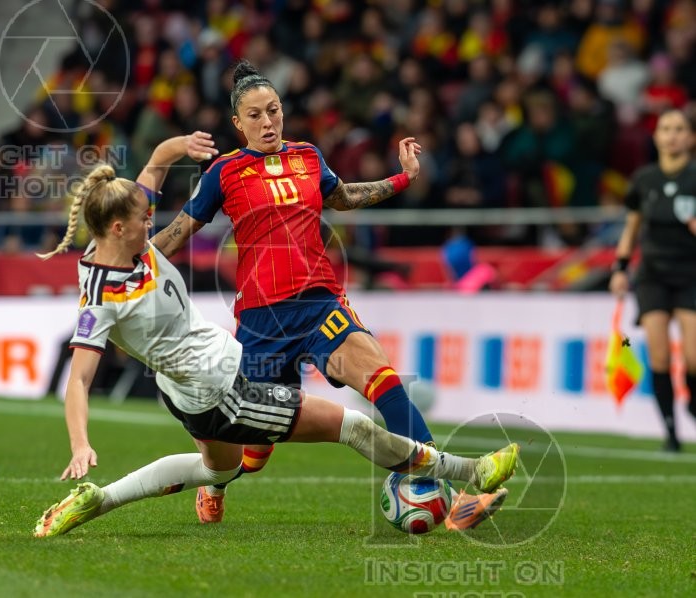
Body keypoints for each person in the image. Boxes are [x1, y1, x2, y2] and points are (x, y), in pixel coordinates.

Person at [32, 145, 519, 538]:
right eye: (144, 220)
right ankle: (469, 472)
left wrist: (176, 147)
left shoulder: (111, 244)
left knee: (218, 471)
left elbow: (153, 170)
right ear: (119, 228)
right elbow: (78, 379)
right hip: (222, 391)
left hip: (193, 387)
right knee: (349, 425)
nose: (153, 224)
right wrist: (80, 445)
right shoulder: (100, 299)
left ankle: (101, 499)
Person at [150, 60, 506, 530]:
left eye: (273, 111)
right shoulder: (224, 173)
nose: (267, 122)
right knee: (253, 453)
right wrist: (122, 264)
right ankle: (215, 484)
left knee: (385, 382)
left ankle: (450, 497)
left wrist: (403, 178)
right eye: (254, 115)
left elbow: (344, 197)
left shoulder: (308, 157)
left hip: (321, 303)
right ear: (238, 124)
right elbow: (178, 232)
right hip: (261, 319)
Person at [609, 109, 696, 452]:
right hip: (653, 275)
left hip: (691, 274)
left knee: (693, 357)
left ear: (691, 138)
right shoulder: (644, 179)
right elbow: (631, 227)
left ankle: (692, 395)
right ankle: (671, 433)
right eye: (665, 129)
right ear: (657, 137)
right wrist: (619, 268)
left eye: (679, 129)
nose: (672, 135)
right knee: (659, 355)